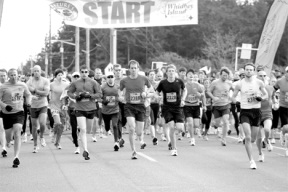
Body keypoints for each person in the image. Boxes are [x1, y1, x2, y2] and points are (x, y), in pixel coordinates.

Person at [231, 63, 268, 169]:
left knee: (253, 139)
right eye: (247, 69)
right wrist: (237, 102)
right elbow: (233, 97)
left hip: (256, 111)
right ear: (244, 71)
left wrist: (260, 98)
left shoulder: (259, 82)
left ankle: (256, 150)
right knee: (247, 137)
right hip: (245, 111)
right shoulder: (239, 84)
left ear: (254, 71)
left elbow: (266, 95)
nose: (248, 71)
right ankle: (251, 160)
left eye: (250, 70)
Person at [67, 65, 102, 160]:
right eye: (82, 72)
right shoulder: (75, 83)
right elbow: (69, 92)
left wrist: (90, 95)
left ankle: (82, 138)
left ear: (88, 73)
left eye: (86, 72)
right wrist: (76, 97)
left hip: (91, 109)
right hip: (79, 109)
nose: (84, 74)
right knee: (83, 130)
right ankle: (85, 150)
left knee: (88, 131)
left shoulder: (93, 82)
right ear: (80, 72)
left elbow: (99, 94)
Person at [119, 60, 151, 159]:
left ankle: (139, 138)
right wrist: (121, 98)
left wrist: (146, 93)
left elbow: (151, 88)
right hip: (129, 106)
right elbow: (119, 91)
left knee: (139, 132)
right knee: (132, 128)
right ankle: (133, 151)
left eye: (135, 68)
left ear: (138, 69)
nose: (133, 70)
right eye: (131, 68)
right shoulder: (124, 80)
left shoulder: (144, 79)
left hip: (140, 106)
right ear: (129, 69)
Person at [0, 69, 31, 168]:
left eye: (15, 75)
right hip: (7, 113)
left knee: (18, 131)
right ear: (8, 76)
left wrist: (29, 103)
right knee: (8, 135)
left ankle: (16, 157)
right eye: (11, 75)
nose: (14, 77)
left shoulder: (22, 85)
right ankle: (8, 142)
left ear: (18, 75)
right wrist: (5, 106)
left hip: (19, 112)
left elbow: (28, 94)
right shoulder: (3, 87)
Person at [156, 64, 187, 156]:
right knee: (172, 127)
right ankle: (174, 148)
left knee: (180, 128)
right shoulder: (162, 83)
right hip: (167, 108)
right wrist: (158, 97)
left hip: (177, 108)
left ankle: (174, 139)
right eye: (169, 71)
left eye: (172, 71)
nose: (171, 72)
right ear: (166, 72)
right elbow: (156, 92)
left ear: (175, 72)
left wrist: (183, 99)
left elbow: (185, 90)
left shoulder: (179, 82)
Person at [207, 67, 233, 146]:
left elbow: (235, 90)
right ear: (220, 75)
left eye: (226, 75)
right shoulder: (215, 82)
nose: (225, 77)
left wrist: (232, 96)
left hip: (226, 105)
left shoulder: (229, 83)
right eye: (224, 75)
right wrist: (213, 97)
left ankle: (224, 138)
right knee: (218, 123)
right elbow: (208, 91)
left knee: (225, 121)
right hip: (216, 105)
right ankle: (214, 125)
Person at [26, 65, 50, 153]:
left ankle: (42, 136)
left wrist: (35, 90)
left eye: (38, 71)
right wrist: (32, 96)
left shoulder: (45, 80)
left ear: (40, 71)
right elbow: (27, 94)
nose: (36, 72)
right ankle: (35, 145)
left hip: (43, 105)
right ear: (33, 72)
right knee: (34, 126)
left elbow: (46, 93)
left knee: (43, 123)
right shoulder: (29, 82)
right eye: (35, 71)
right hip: (33, 106)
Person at [184, 69, 206, 146]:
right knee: (190, 122)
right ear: (186, 76)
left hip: (196, 106)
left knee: (196, 125)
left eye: (192, 75)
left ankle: (190, 129)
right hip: (187, 106)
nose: (190, 76)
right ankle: (192, 139)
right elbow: (180, 95)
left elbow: (203, 95)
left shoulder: (197, 85)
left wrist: (204, 105)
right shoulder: (184, 86)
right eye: (189, 74)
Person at [50, 69, 70, 149]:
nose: (60, 76)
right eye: (59, 75)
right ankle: (54, 133)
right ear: (55, 76)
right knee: (58, 123)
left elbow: (68, 95)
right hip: (54, 105)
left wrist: (66, 104)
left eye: (62, 75)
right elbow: (49, 94)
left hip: (62, 106)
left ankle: (57, 142)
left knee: (61, 126)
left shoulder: (66, 84)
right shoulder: (51, 84)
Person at [101, 71, 122, 151]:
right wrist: (103, 101)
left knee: (115, 125)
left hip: (115, 110)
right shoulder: (103, 87)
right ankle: (106, 129)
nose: (110, 79)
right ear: (106, 78)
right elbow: (99, 97)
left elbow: (121, 95)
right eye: (108, 77)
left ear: (114, 78)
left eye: (111, 77)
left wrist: (120, 99)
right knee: (107, 127)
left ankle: (116, 142)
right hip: (105, 111)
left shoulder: (117, 87)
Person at [62, 72, 80, 154]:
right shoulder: (68, 87)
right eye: (74, 76)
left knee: (82, 128)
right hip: (72, 109)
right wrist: (64, 104)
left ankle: (78, 136)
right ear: (72, 78)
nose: (76, 78)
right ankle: (77, 146)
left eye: (77, 76)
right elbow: (63, 97)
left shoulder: (83, 86)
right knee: (74, 128)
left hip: (82, 109)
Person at [273, 66, 288, 156]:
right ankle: (283, 133)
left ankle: (287, 148)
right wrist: (274, 100)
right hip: (283, 107)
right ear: (285, 72)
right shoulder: (280, 81)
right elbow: (272, 90)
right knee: (286, 128)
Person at [0, 69, 8, 157]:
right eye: (0, 76)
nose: (2, 77)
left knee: (6, 129)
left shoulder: (10, 85)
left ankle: (6, 143)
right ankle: (4, 148)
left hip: (9, 110)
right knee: (1, 128)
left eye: (3, 75)